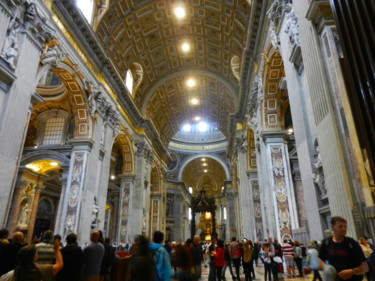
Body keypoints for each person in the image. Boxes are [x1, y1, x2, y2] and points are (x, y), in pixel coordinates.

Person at [319, 216, 369, 281]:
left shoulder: (352, 243)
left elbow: (365, 267)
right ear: (333, 227)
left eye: (345, 226)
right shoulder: (326, 242)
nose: (344, 229)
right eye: (340, 226)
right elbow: (321, 260)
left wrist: (352, 272)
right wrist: (326, 267)